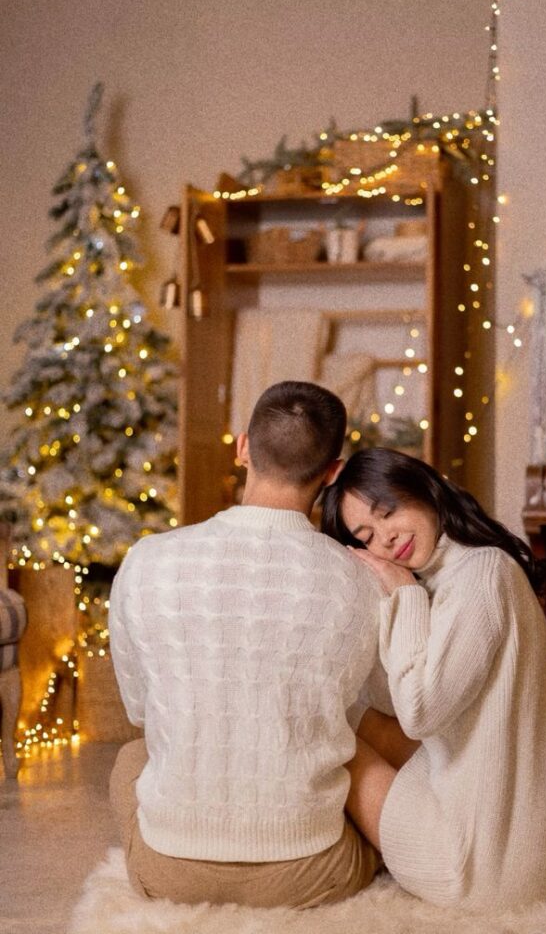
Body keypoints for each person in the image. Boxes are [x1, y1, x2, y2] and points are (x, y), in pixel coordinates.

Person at [108, 381, 382, 909]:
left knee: (130, 758)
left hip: (170, 871)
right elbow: (369, 706)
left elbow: (140, 709)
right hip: (310, 869)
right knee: (353, 763)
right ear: (333, 472)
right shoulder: (360, 579)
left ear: (243, 448)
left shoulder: (147, 559)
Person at [321, 447, 546, 911]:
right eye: (367, 535)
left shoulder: (480, 576)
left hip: (478, 868)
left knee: (328, 734)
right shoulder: (464, 570)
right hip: (540, 852)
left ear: (423, 490)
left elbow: (419, 712)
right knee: (356, 715)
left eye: (388, 513)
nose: (386, 538)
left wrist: (403, 594)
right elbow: (394, 698)